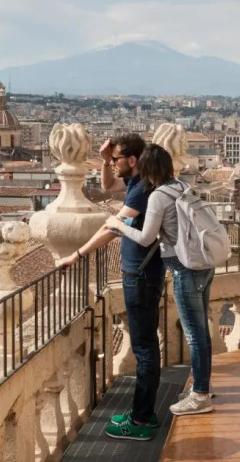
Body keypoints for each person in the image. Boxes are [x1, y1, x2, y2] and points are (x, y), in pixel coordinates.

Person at [57, 134, 165, 441]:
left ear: (132, 160)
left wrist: (77, 255)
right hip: (142, 273)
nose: (113, 164)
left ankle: (140, 421)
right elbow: (108, 186)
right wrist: (105, 161)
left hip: (141, 276)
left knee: (144, 348)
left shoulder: (142, 190)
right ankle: (143, 413)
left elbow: (111, 228)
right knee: (145, 346)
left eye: (116, 159)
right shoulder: (137, 182)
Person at [105, 144, 214, 417]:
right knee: (201, 332)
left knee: (194, 335)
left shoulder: (158, 196)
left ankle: (200, 396)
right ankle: (201, 388)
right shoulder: (180, 186)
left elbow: (145, 238)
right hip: (203, 264)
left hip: (184, 268)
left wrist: (118, 225)